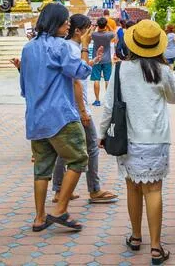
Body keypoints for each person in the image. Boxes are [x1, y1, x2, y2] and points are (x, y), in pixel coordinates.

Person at [99, 20, 175, 265]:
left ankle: (135, 237)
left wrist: (102, 134)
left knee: (132, 187)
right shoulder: (162, 70)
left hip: (128, 138)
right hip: (155, 138)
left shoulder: (121, 69)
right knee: (153, 189)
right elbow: (174, 98)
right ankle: (156, 247)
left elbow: (109, 105)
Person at [18, 3, 104, 232]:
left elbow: (24, 87)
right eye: (65, 21)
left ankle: (39, 217)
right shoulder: (60, 47)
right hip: (61, 114)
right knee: (78, 159)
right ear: (56, 22)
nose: (68, 24)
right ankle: (60, 209)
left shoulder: (28, 48)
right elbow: (81, 72)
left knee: (42, 169)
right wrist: (85, 48)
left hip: (36, 116)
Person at [49, 14, 119, 205]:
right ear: (78, 30)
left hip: (69, 107)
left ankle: (59, 189)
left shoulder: (70, 47)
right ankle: (94, 189)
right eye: (88, 29)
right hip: (75, 107)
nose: (91, 33)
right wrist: (82, 110)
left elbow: (79, 69)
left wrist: (93, 60)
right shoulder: (72, 47)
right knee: (91, 148)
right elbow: (75, 81)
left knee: (66, 152)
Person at [91, 17, 116, 106]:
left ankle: (97, 100)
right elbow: (114, 33)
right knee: (107, 79)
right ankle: (108, 100)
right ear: (105, 25)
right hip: (107, 60)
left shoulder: (94, 35)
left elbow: (89, 34)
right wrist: (108, 26)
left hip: (96, 59)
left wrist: (94, 27)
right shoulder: (108, 35)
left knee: (96, 79)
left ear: (98, 25)